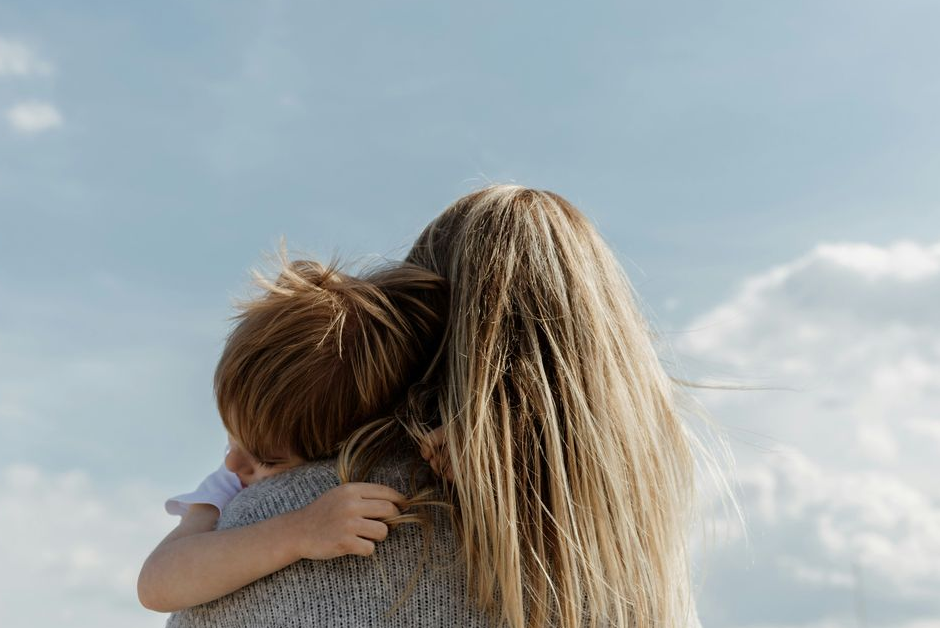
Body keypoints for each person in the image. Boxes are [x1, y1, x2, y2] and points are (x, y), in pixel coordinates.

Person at [169, 184, 709, 628]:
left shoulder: (276, 519)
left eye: (265, 455)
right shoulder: (629, 557)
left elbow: (162, 584)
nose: (235, 465)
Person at [136, 258, 447, 614]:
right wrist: (298, 532)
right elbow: (157, 584)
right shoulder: (228, 484)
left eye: (266, 458)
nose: (231, 461)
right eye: (231, 436)